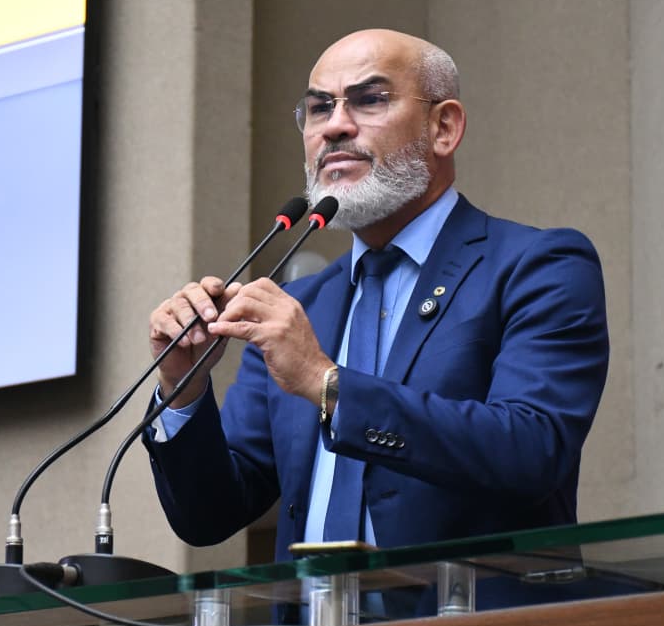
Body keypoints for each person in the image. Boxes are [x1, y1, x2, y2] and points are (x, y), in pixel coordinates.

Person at [142, 29, 608, 587]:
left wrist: (326, 382)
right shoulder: (299, 307)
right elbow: (209, 515)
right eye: (319, 108)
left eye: (369, 99)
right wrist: (181, 388)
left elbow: (532, 451)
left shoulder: (538, 264)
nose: (335, 125)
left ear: (444, 127)